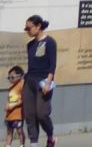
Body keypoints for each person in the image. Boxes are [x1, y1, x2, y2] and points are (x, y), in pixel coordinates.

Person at [21, 16, 54, 147]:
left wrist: (48, 82)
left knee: (42, 114)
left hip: (43, 81)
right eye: (26, 29)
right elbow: (31, 66)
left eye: (29, 28)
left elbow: (53, 65)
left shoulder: (50, 42)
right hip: (29, 82)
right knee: (30, 115)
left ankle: (51, 135)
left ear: (38, 26)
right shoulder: (30, 45)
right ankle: (33, 143)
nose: (27, 31)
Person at [5, 66, 23, 147]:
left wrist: (13, 105)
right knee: (9, 132)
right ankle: (8, 145)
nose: (10, 79)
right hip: (9, 116)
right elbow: (9, 101)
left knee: (19, 131)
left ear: (19, 76)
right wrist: (7, 106)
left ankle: (22, 144)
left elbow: (23, 100)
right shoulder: (10, 89)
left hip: (18, 115)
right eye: (9, 77)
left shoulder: (21, 85)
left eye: (12, 77)